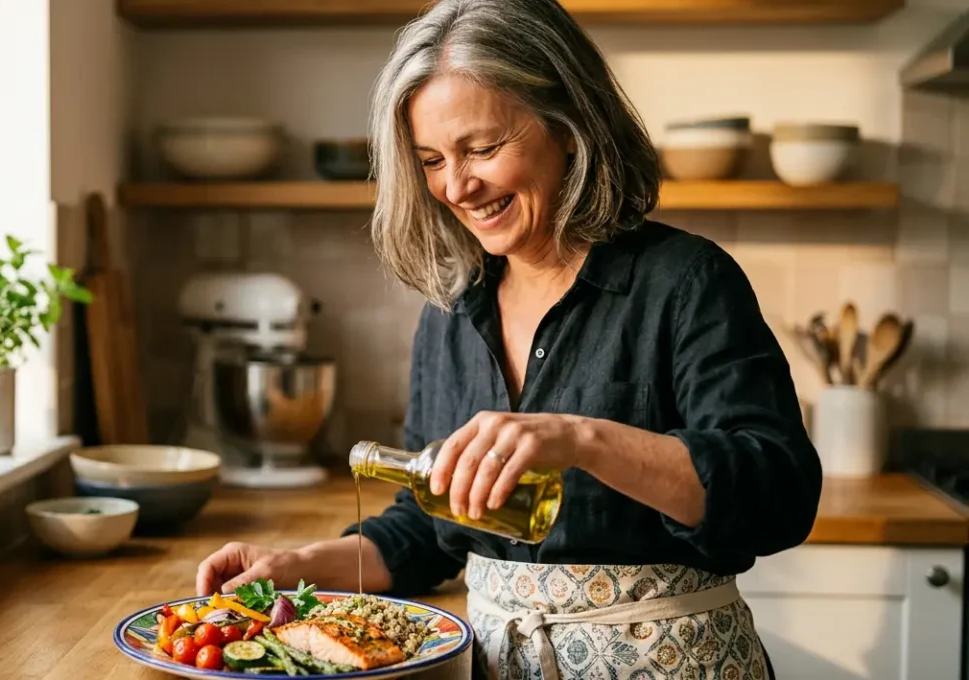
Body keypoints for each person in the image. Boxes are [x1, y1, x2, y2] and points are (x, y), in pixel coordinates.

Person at [194, 0, 822, 677]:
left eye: (483, 148)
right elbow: (430, 527)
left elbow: (776, 495)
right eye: (432, 159)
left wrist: (583, 439)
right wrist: (296, 567)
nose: (457, 187)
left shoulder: (687, 281)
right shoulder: (450, 309)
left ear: (571, 126)